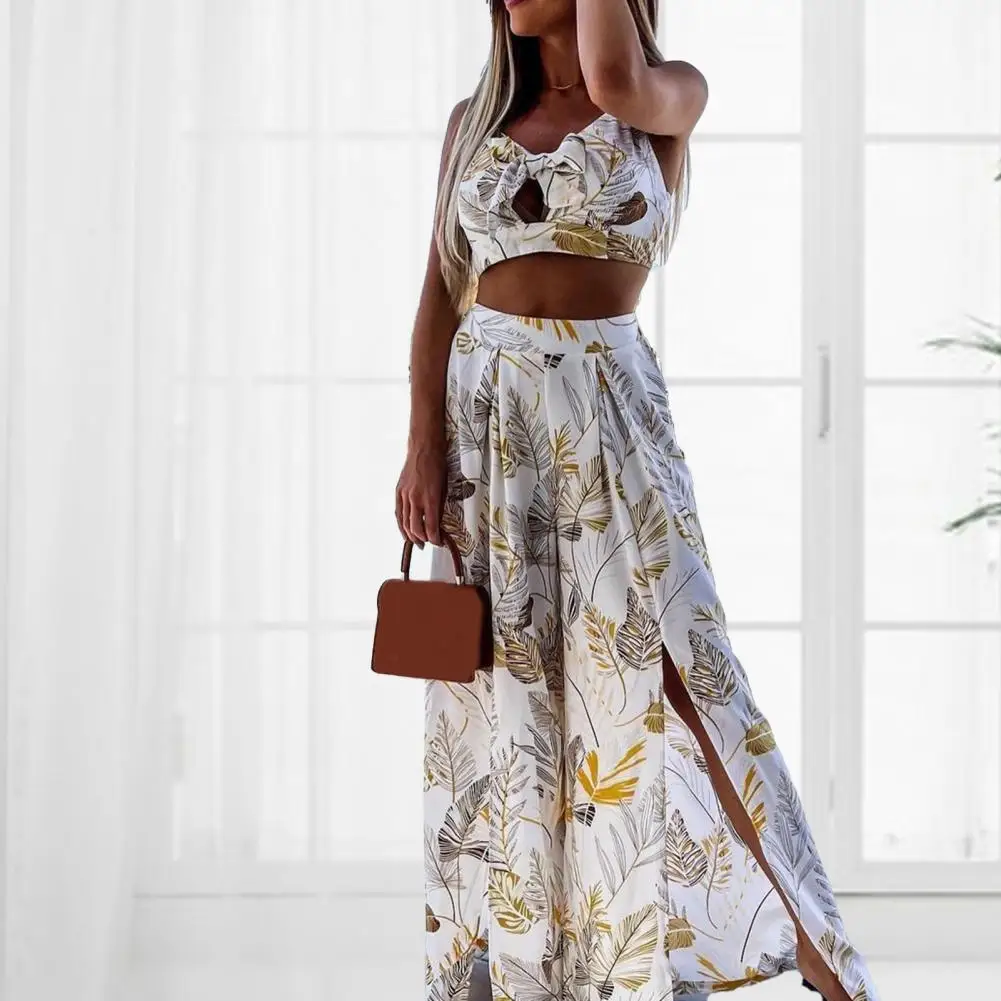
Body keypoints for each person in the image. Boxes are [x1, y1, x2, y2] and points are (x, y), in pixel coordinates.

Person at [397, 2, 881, 1000]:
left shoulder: (662, 98)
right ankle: (527, 961)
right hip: (489, 432)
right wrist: (421, 446)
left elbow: (613, 76)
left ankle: (818, 944)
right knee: (510, 688)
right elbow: (441, 290)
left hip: (606, 416)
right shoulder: (472, 121)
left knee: (688, 673)